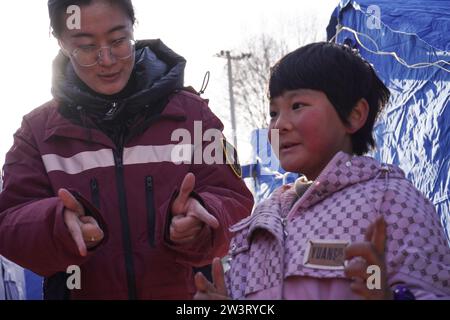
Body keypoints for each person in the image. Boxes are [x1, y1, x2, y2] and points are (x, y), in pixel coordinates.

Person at [0, 0, 253, 299]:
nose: (106, 60)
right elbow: (9, 222)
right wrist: (57, 226)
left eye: (119, 40)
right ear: (61, 43)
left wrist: (205, 217)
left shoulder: (192, 116)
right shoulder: (37, 132)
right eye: (85, 47)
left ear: (134, 26)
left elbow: (235, 201)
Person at [194, 42, 450, 300]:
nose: (280, 124)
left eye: (297, 106)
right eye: (273, 112)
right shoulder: (262, 218)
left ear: (354, 114)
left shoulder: (392, 202)